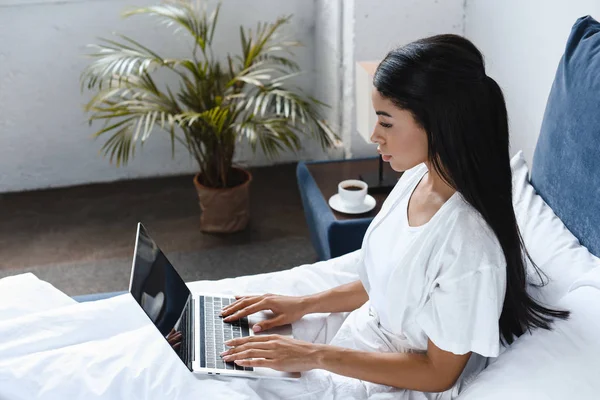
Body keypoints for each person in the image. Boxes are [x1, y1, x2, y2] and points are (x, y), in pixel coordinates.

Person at [214, 34, 570, 399]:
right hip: (360, 344)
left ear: (438, 124)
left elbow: (438, 372)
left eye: (386, 123)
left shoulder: (468, 245)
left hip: (400, 382)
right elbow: (388, 284)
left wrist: (313, 355)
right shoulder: (417, 177)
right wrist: (303, 304)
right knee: (218, 365)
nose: (374, 136)